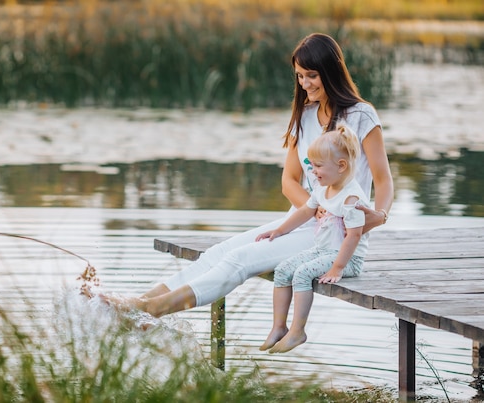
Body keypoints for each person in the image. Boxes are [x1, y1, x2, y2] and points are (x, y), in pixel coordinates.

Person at [105, 32, 393, 322]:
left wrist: (379, 215)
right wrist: (314, 209)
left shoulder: (361, 116)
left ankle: (152, 310)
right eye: (299, 76)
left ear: (330, 71)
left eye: (312, 75)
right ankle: (141, 301)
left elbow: (383, 179)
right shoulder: (304, 116)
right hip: (302, 218)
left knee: (240, 261)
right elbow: (289, 182)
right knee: (220, 252)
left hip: (333, 237)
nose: (304, 84)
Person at [257, 123, 369, 353]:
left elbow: (355, 235)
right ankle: (279, 327)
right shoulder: (322, 188)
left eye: (318, 166)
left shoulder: (351, 198)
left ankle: (298, 331)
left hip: (346, 258)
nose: (313, 171)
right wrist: (279, 230)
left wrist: (337, 268)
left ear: (341, 166)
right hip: (322, 251)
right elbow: (305, 211)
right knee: (283, 269)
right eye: (312, 165)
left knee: (302, 273)